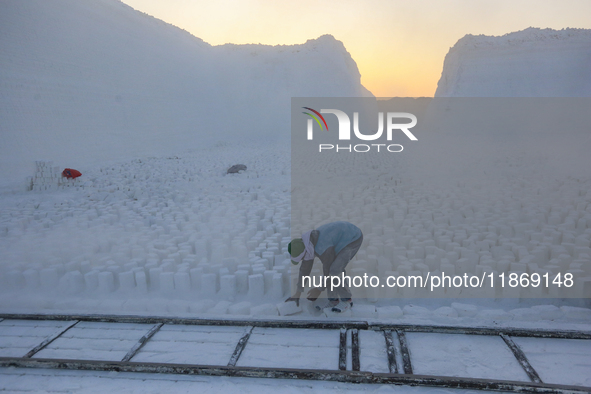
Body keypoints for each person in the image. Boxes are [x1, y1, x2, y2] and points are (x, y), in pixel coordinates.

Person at [286, 221, 363, 313]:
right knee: (331, 272)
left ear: (304, 253)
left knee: (335, 270)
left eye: (301, 258)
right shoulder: (307, 245)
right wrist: (298, 292)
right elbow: (304, 270)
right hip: (339, 237)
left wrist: (319, 289)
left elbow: (328, 271)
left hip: (353, 238)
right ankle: (333, 301)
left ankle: (347, 300)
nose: (303, 260)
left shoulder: (322, 248)